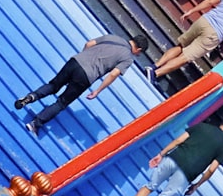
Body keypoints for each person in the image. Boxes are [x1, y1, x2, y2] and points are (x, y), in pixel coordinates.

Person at [118, 115, 223, 196]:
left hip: (173, 159)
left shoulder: (202, 126)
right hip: (187, 173)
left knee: (150, 186)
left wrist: (161, 154)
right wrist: (197, 185)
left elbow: (178, 141)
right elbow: (211, 169)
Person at [15, 34, 149, 135]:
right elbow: (113, 74)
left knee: (53, 85)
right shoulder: (127, 58)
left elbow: (89, 43)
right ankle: (34, 124)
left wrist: (83, 57)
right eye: (139, 54)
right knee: (62, 102)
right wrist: (98, 90)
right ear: (139, 49)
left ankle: (30, 97)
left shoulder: (113, 37)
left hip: (75, 61)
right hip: (86, 75)